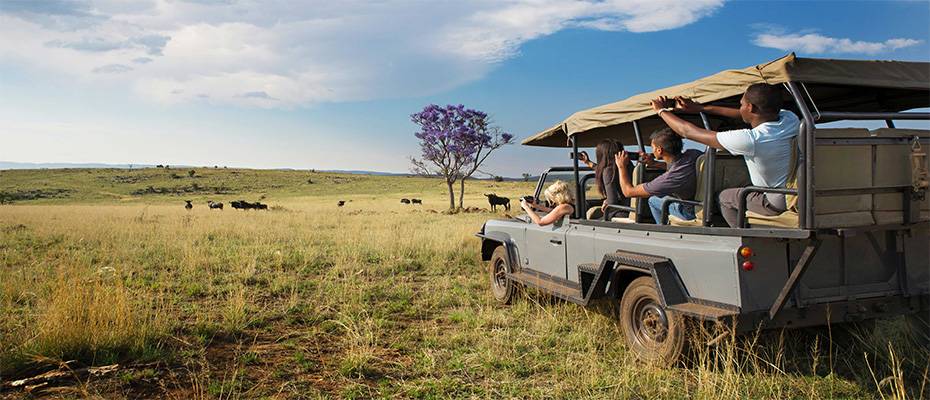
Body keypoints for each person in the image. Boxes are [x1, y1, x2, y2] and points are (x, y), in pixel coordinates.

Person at [651, 83, 800, 227]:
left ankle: (741, 233)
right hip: (797, 194)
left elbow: (687, 132)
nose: (739, 109)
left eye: (741, 104)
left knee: (724, 197)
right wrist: (701, 108)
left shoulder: (752, 139)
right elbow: (743, 114)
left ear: (750, 107)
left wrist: (661, 111)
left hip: (775, 201)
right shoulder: (789, 119)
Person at [613, 128, 702, 224]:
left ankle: (662, 229)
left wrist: (621, 167)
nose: (652, 151)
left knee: (653, 200)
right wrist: (654, 163)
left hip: (689, 212)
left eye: (652, 148)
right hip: (704, 205)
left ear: (659, 150)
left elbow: (628, 192)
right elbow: (678, 167)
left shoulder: (670, 178)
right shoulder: (694, 154)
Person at [577, 140, 631, 220]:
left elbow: (612, 202)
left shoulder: (609, 171)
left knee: (592, 221)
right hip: (631, 209)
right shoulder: (628, 166)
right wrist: (588, 162)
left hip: (623, 212)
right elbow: (602, 170)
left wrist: (607, 202)